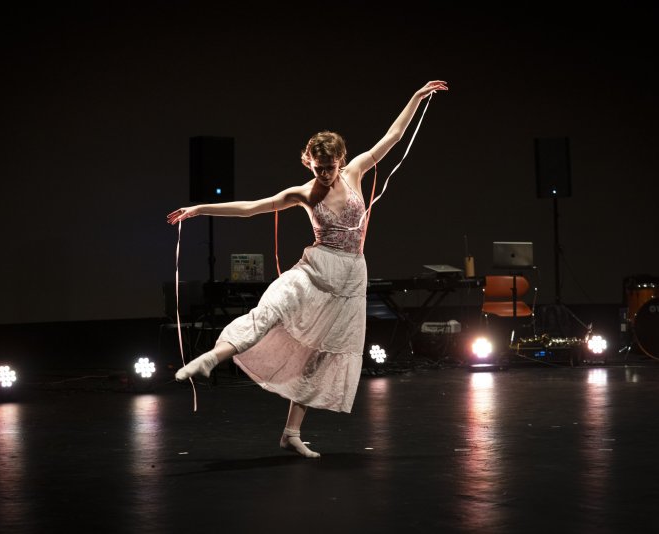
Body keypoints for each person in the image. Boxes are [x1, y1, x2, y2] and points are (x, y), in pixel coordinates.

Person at [167, 80, 448, 458]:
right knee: (271, 311)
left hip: (350, 278)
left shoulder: (355, 172)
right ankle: (210, 359)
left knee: (322, 352)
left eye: (330, 167)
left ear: (341, 160)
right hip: (315, 270)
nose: (326, 174)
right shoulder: (303, 193)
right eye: (319, 168)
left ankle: (291, 433)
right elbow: (252, 208)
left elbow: (394, 137)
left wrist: (416, 97)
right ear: (308, 162)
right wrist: (201, 209)